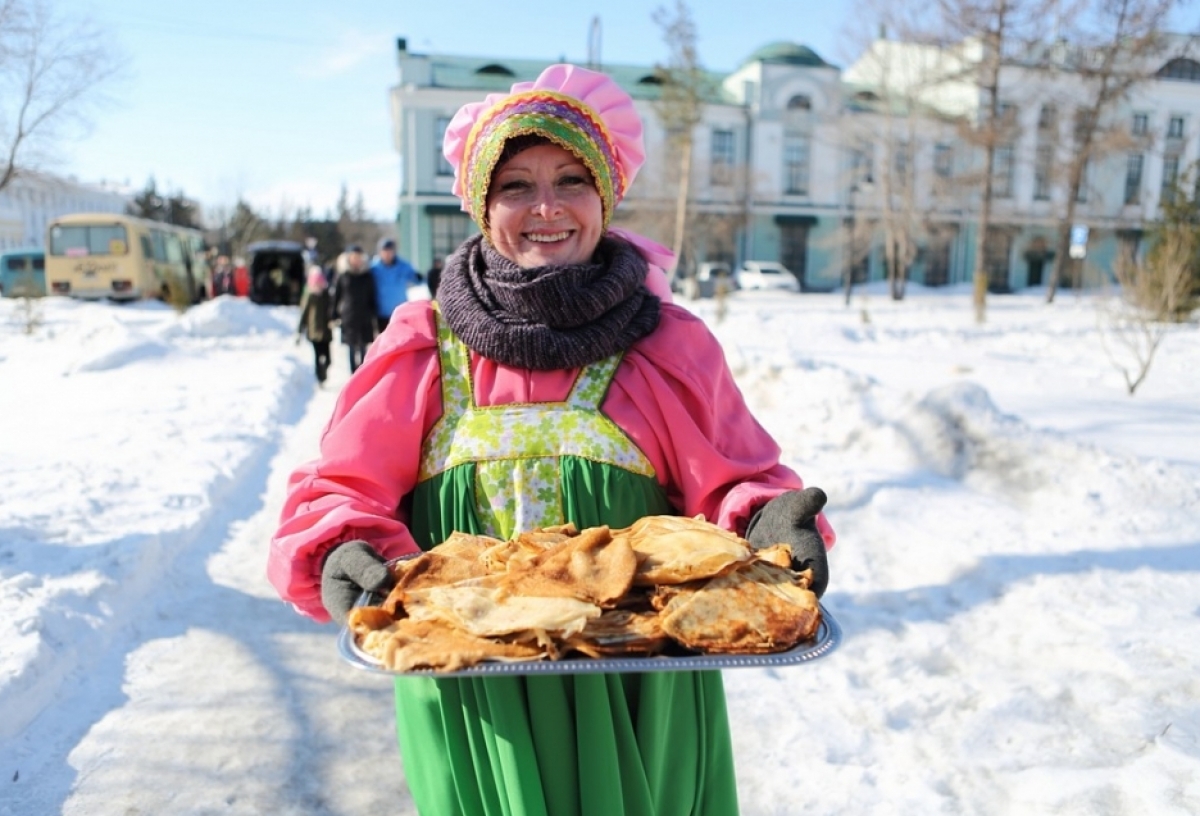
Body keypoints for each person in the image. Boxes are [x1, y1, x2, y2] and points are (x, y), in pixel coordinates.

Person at [268, 63, 834, 816]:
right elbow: (344, 486)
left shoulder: (666, 345)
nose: (546, 208)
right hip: (472, 689)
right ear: (480, 204)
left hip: (641, 689)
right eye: (515, 186)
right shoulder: (422, 347)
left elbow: (733, 482)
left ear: (605, 195)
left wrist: (770, 520)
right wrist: (342, 545)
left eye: (571, 180)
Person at [331, 244, 377, 374]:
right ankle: (352, 373)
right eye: (354, 257)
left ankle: (362, 373)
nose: (356, 260)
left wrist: (374, 315)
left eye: (359, 257)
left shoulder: (367, 276)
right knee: (351, 347)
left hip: (365, 316)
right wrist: (334, 314)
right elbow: (336, 296)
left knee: (363, 347)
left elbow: (372, 296)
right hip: (349, 316)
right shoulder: (343, 276)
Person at [370, 237, 419, 332]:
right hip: (382, 312)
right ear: (380, 252)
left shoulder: (404, 266)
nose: (388, 254)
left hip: (400, 312)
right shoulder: (374, 268)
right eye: (385, 251)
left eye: (390, 251)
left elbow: (416, 279)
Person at [296, 264, 333, 385]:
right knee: (317, 356)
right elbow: (304, 314)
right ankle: (320, 377)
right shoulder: (309, 296)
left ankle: (324, 370)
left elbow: (332, 309)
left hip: (326, 330)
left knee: (328, 358)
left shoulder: (326, 295)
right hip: (313, 331)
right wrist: (300, 330)